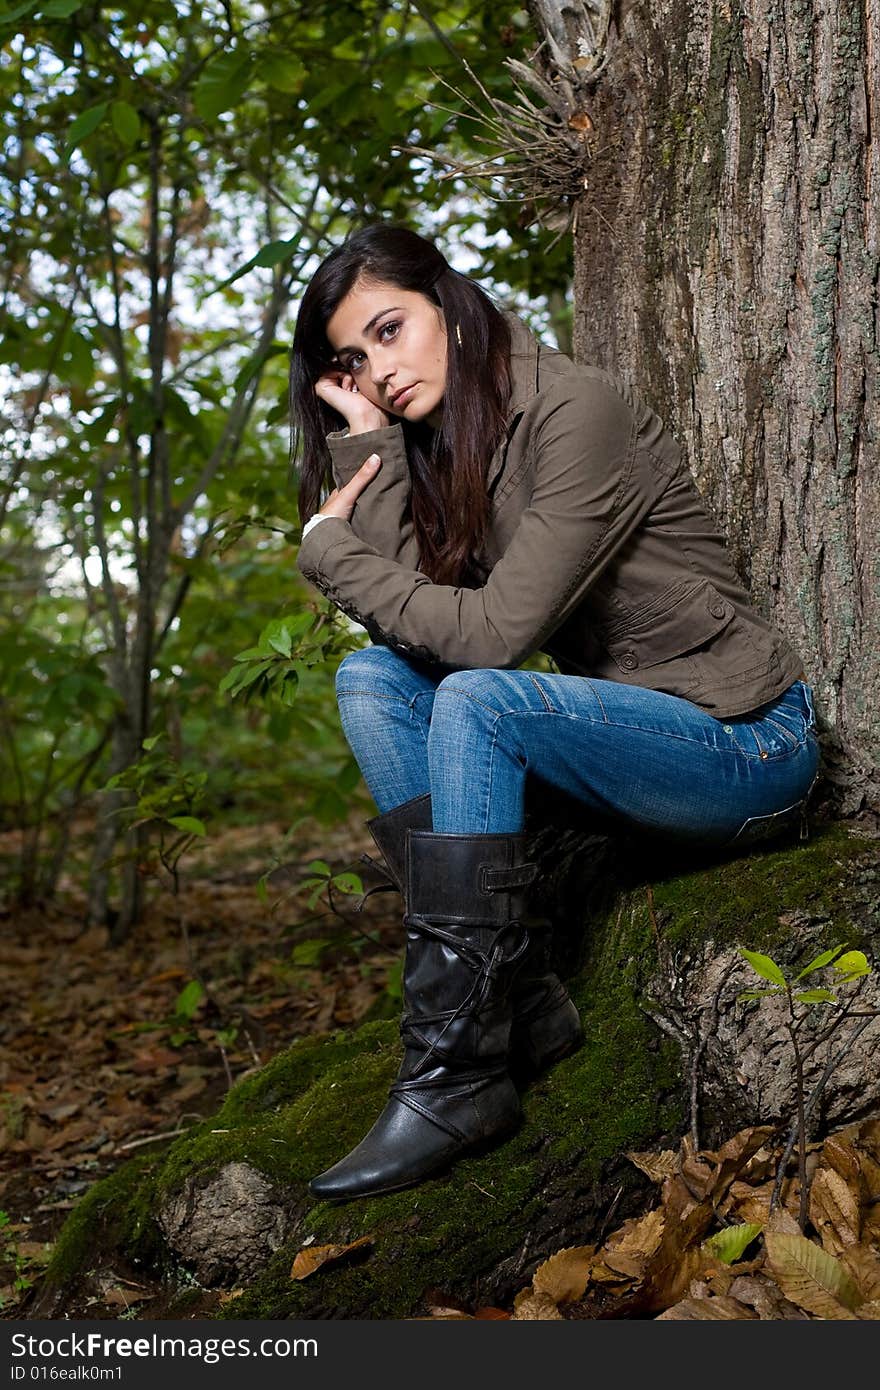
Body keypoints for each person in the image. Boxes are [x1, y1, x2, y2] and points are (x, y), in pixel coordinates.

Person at [289, 223, 819, 1201]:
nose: (380, 368)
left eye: (391, 329)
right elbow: (416, 633)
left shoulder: (577, 411)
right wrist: (371, 453)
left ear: (450, 301)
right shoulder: (454, 449)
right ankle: (519, 994)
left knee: (483, 698)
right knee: (370, 681)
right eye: (355, 359)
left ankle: (454, 1073)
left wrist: (328, 548)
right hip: (624, 742)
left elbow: (488, 643)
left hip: (745, 740)